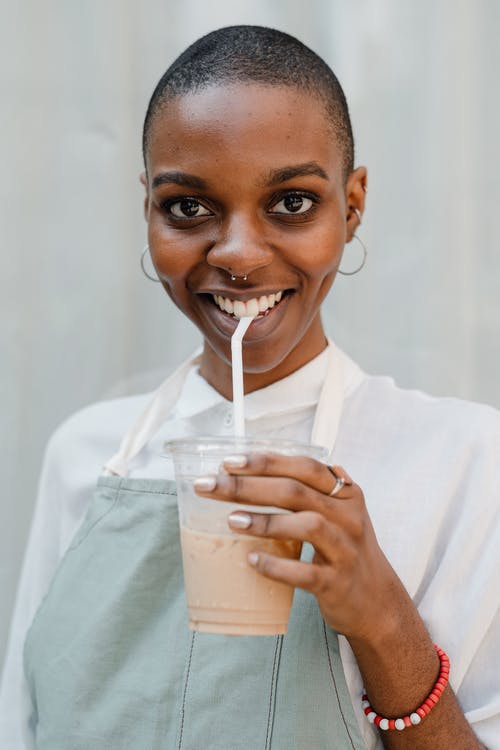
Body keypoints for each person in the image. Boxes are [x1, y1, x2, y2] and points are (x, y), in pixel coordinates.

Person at [0, 25, 498, 750]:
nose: (237, 254)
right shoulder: (84, 455)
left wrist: (384, 622)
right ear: (148, 210)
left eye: (292, 202)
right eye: (188, 207)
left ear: (351, 206)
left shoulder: (465, 463)